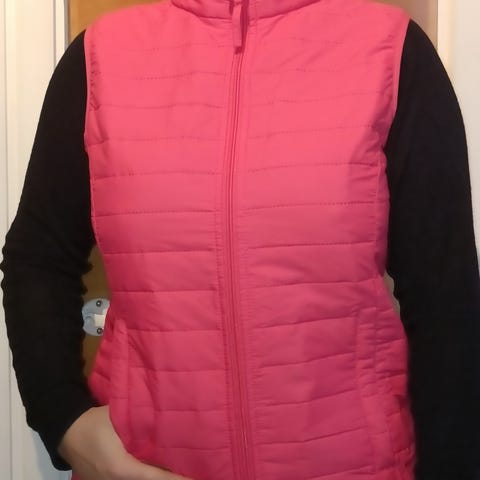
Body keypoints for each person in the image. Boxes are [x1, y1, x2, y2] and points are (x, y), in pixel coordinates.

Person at [1, 0, 480, 479]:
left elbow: (446, 299)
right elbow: (37, 258)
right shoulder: (100, 58)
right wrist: (66, 421)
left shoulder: (391, 52)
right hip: (147, 463)